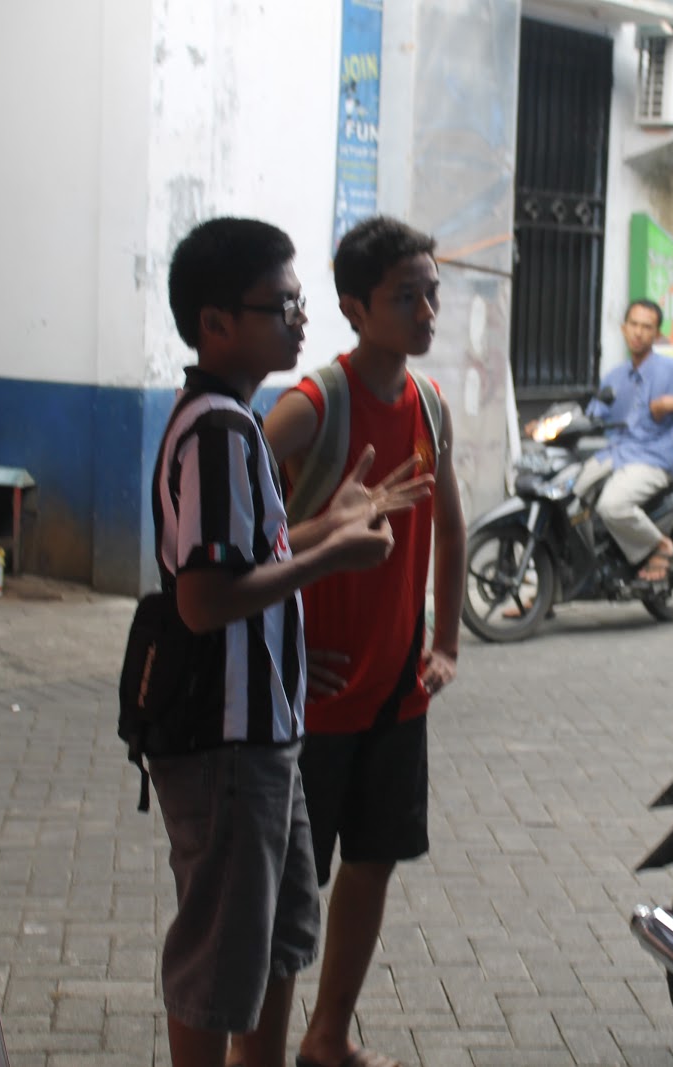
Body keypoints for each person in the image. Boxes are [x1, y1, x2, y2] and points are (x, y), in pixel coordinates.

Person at [150, 217, 420, 1067]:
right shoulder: (220, 433)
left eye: (300, 304)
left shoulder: (230, 420)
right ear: (215, 322)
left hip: (265, 731)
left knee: (274, 933)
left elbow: (246, 554)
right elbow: (204, 600)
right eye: (281, 306)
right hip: (227, 738)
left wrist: (328, 524)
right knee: (219, 953)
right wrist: (333, 556)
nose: (301, 321)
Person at [261, 215, 466, 1067]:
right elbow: (237, 536)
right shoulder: (312, 406)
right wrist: (280, 653)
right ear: (354, 308)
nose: (427, 311)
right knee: (287, 889)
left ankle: (326, 1036)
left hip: (395, 690)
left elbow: (450, 525)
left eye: (432, 293)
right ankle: (257, 1051)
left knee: (374, 860)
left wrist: (445, 640)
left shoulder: (429, 404)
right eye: (406, 296)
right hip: (314, 695)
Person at [573, 299, 673, 581]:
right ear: (623, 328)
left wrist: (671, 402)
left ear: (657, 334)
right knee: (568, 498)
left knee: (611, 506)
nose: (638, 332)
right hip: (613, 455)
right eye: (634, 325)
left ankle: (660, 546)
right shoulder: (616, 376)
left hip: (652, 460)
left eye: (646, 327)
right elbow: (593, 414)